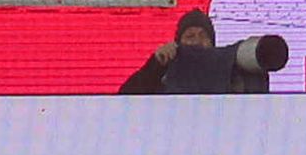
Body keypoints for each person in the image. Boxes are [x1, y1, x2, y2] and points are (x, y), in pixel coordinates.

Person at [117, 8, 289, 95]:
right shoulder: (164, 74)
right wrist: (156, 65)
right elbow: (125, 99)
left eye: (202, 35)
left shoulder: (232, 71)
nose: (197, 42)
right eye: (190, 36)